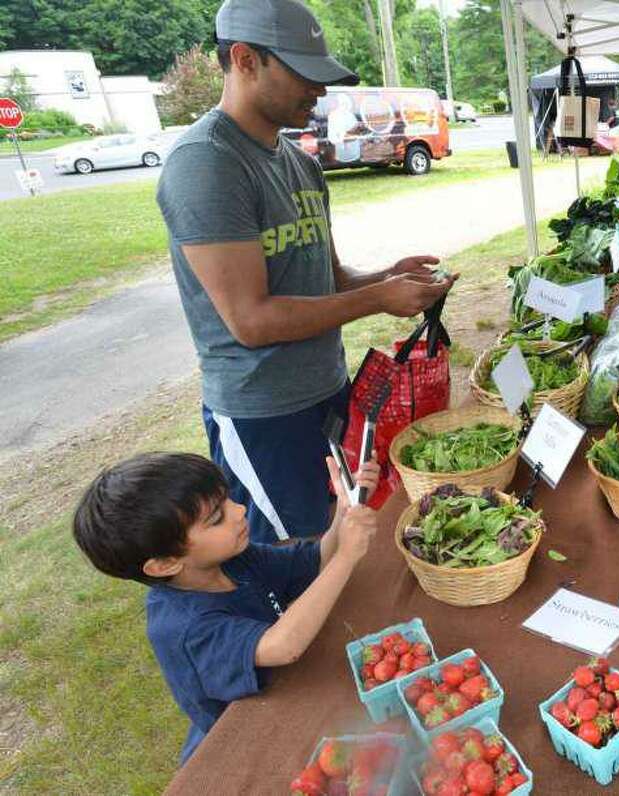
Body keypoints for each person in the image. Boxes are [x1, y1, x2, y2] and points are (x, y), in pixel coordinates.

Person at [157, 0, 456, 545]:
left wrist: (390, 277)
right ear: (245, 59)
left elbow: (329, 278)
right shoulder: (208, 164)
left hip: (329, 394)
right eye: (303, 74)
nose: (318, 92)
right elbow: (251, 320)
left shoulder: (301, 163)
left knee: (347, 538)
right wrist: (379, 299)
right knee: (293, 559)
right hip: (264, 416)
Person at [72, 451, 380, 763]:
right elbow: (283, 645)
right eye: (217, 518)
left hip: (294, 691)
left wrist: (345, 509)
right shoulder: (185, 628)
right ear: (165, 564)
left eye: (228, 499)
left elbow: (312, 563)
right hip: (246, 741)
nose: (239, 510)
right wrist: (346, 557)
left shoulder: (233, 559)